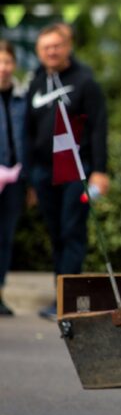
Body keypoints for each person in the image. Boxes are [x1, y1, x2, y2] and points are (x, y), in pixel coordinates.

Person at [25, 23, 108, 321]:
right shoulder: (34, 84)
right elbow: (28, 131)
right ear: (39, 51)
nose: (52, 51)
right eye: (46, 47)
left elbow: (99, 126)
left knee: (72, 231)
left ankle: (68, 300)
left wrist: (100, 170)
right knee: (56, 233)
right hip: (43, 172)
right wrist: (28, 179)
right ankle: (59, 296)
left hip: (77, 169)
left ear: (67, 47)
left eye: (56, 46)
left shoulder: (85, 82)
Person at [0, 40, 28, 316]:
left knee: (5, 237)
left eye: (7, 62)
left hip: (15, 177)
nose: (2, 68)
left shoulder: (22, 97)